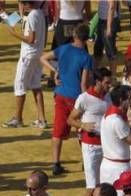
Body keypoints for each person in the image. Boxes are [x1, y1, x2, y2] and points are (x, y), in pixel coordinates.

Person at [39, 24, 93, 178]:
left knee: (57, 131)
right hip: (76, 97)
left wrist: (55, 71)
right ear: (87, 38)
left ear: (75, 36)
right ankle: (86, 161)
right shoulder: (86, 57)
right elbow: (83, 83)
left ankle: (56, 164)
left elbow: (42, 58)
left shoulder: (63, 49)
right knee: (81, 130)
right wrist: (87, 100)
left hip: (61, 95)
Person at [67, 67, 112, 196]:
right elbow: (70, 119)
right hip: (90, 146)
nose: (109, 85)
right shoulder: (84, 98)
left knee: (103, 183)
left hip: (106, 145)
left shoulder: (109, 97)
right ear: (98, 82)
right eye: (107, 82)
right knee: (91, 185)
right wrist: (83, 125)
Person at [4, 1, 47, 130]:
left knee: (20, 86)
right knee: (36, 85)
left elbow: (30, 39)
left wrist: (14, 34)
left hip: (28, 55)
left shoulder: (31, 16)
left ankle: (18, 118)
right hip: (38, 54)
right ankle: (41, 119)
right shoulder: (39, 13)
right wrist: (16, 17)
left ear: (26, 4)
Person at [99, 85, 131, 190]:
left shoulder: (108, 114)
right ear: (121, 100)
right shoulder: (117, 120)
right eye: (129, 98)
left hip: (108, 165)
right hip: (118, 168)